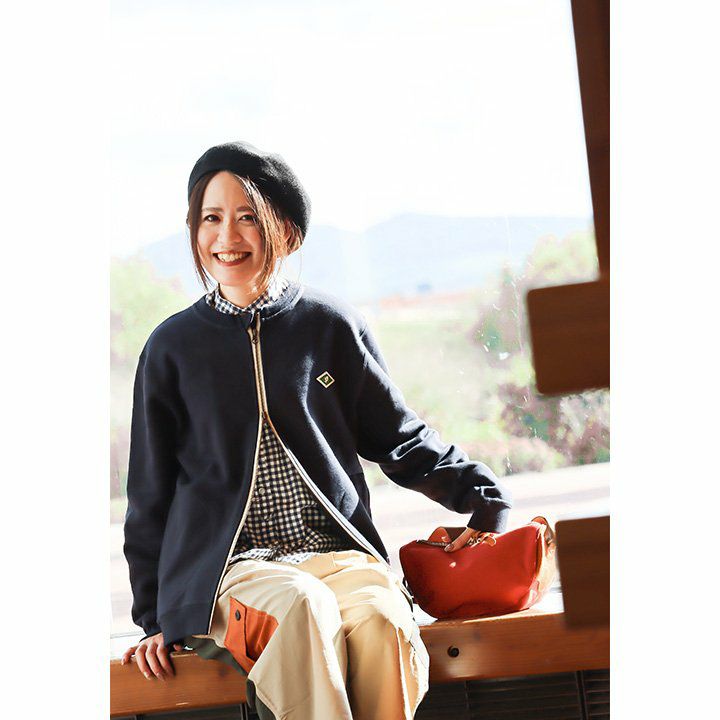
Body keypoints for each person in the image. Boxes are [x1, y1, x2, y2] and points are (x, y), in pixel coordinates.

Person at [120, 140, 513, 720]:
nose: (226, 236)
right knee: (302, 605)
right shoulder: (171, 348)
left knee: (381, 618)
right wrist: (153, 618)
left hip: (337, 553)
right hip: (230, 571)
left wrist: (484, 498)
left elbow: (400, 437)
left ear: (285, 230)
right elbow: (149, 492)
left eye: (247, 217)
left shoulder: (330, 326)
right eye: (210, 218)